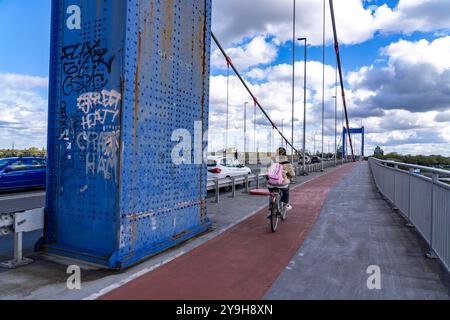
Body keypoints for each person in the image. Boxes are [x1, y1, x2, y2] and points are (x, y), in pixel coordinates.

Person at [267, 147, 295, 212]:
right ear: (285, 154)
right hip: (282, 184)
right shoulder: (287, 163)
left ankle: (270, 208)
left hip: (271, 183)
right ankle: (286, 205)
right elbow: (292, 174)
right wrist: (289, 176)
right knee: (286, 190)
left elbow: (268, 171)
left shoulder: (272, 161)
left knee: (271, 193)